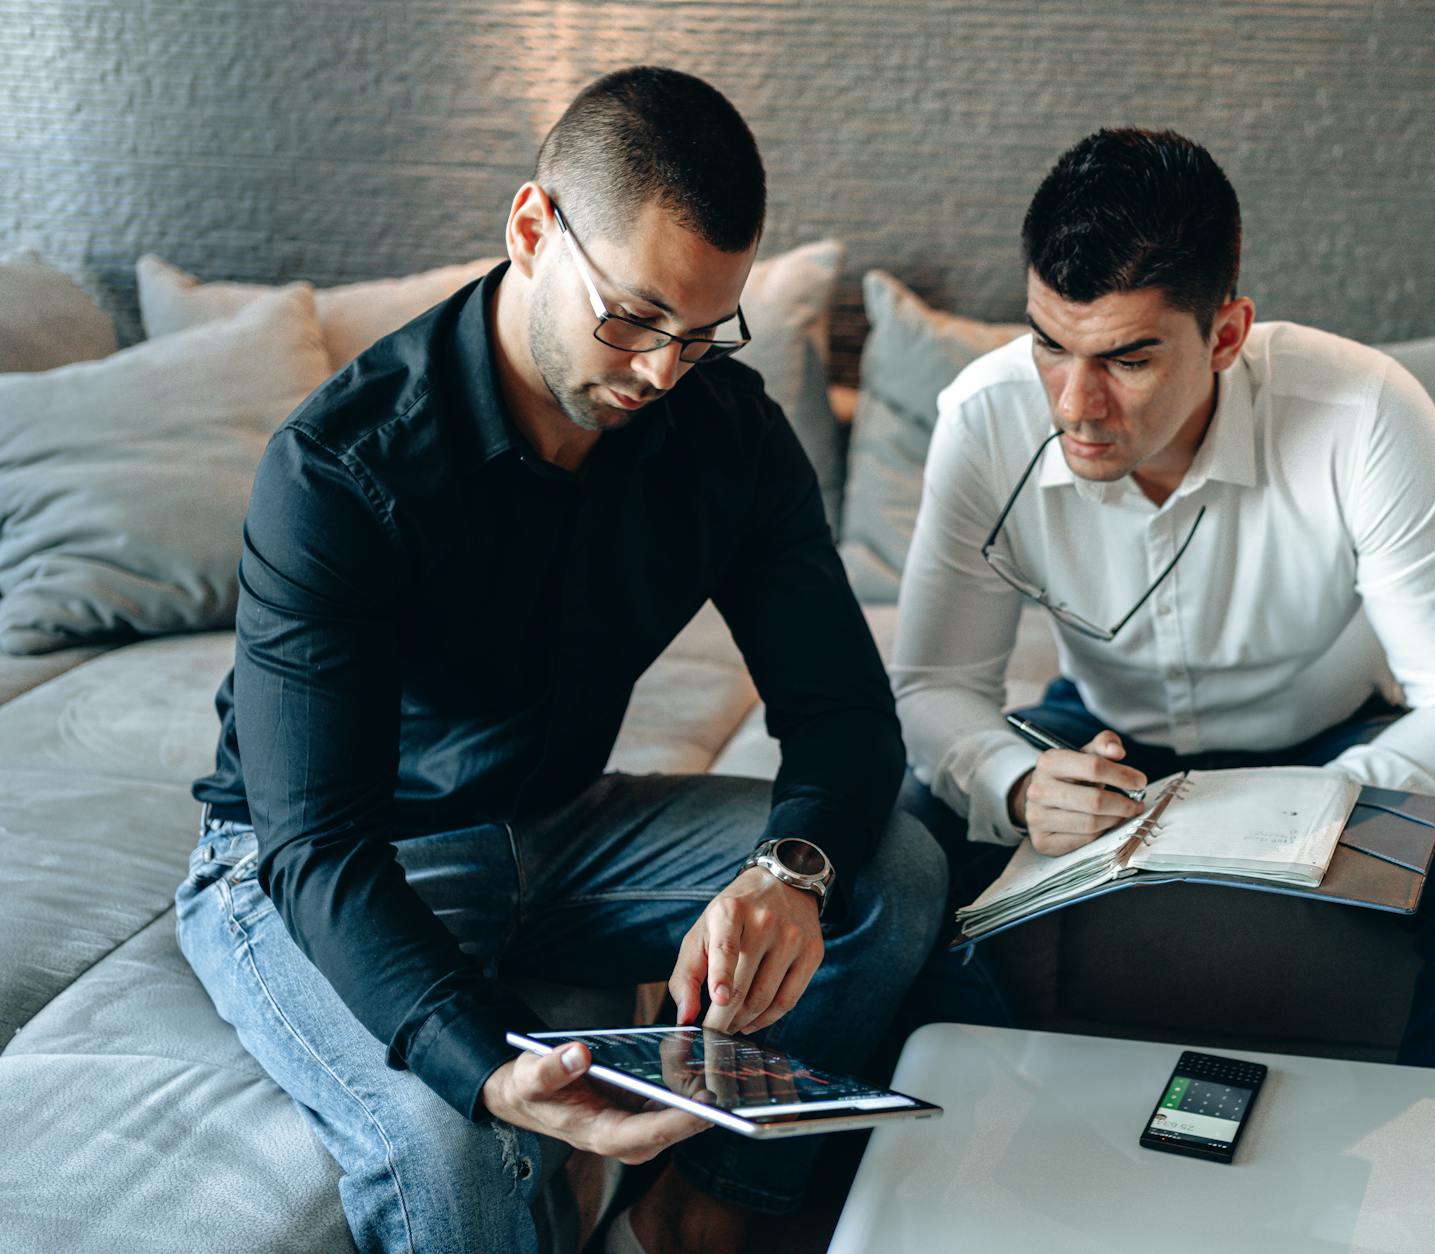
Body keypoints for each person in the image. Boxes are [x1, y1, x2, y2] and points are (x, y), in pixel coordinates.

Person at [175, 66, 943, 1254]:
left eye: (701, 332)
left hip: (556, 827)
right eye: (632, 317)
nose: (661, 373)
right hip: (337, 856)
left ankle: (709, 1210)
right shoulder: (342, 468)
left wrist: (784, 873)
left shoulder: (720, 430)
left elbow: (843, 714)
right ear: (531, 228)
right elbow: (315, 845)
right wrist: (484, 1071)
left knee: (888, 868)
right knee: (452, 1141)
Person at [893, 128, 1435, 1078]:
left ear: (1225, 334)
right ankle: (1007, 1121)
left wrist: (1323, 800)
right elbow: (931, 685)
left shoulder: (1366, 413)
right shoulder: (984, 416)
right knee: (889, 850)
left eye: (1127, 360)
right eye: (1050, 345)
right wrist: (1012, 782)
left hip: (1337, 750)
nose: (1074, 407)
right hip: (1099, 740)